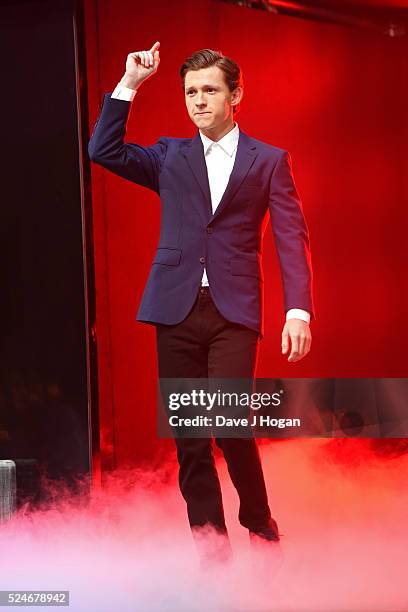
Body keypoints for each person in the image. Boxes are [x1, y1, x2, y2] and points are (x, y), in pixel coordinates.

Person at [88, 41, 315, 561]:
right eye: (190, 91)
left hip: (234, 312)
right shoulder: (170, 155)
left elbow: (291, 238)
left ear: (235, 94)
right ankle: (212, 556)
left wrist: (297, 310)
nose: (198, 100)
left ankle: (261, 529)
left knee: (230, 427)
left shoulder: (269, 160)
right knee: (191, 439)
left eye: (209, 90)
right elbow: (103, 151)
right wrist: (130, 85)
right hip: (176, 309)